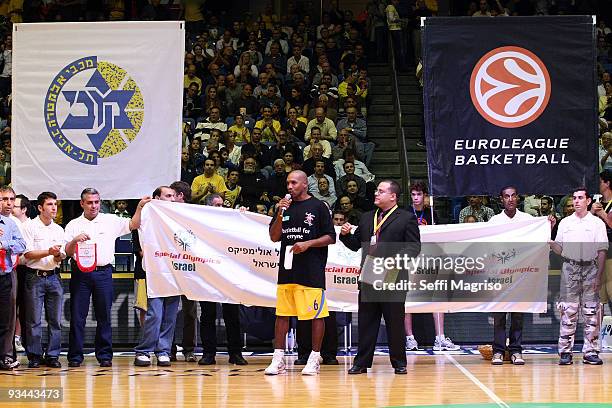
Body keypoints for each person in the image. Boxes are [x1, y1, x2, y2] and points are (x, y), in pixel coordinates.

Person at [340, 180, 421, 374]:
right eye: (376, 191)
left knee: (394, 322)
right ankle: (361, 363)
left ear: (393, 196)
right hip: (369, 274)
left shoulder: (406, 218)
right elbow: (355, 244)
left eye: (381, 191)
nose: (376, 194)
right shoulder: (368, 217)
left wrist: (393, 260)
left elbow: (414, 248)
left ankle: (399, 362)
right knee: (367, 322)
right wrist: (344, 235)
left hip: (394, 275)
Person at [65, 188, 151, 367]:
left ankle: (104, 356)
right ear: (82, 203)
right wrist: (74, 241)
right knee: (77, 316)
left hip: (103, 272)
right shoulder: (73, 224)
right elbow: (66, 252)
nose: (94, 206)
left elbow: (133, 225)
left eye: (96, 202)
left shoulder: (110, 220)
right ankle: (75, 357)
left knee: (104, 316)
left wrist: (140, 207)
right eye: (89, 202)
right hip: (80, 272)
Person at [265, 170, 336, 375]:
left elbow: (331, 237)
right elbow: (274, 236)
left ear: (305, 184)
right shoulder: (283, 207)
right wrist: (280, 212)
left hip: (311, 269)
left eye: (294, 183)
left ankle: (315, 357)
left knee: (315, 315)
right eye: (287, 183)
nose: (289, 187)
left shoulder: (318, 206)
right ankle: (278, 358)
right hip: (287, 269)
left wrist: (308, 244)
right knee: (282, 315)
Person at [551, 187, 607, 366]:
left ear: (588, 201)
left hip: (591, 268)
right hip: (570, 267)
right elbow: (559, 250)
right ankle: (565, 352)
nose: (576, 201)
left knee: (591, 312)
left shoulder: (597, 223)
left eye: (580, 198)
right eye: (574, 198)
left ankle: (590, 351)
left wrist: (599, 276)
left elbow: (602, 251)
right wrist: (549, 237)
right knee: (568, 310)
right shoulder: (565, 223)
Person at [404, 181, 460, 351]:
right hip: (411, 260)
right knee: (407, 299)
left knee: (438, 296)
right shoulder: (406, 213)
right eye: (413, 194)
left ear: (425, 196)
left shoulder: (432, 213)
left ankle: (440, 337)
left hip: (430, 259)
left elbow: (440, 235)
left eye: (419, 194)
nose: (415, 198)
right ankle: (409, 338)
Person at [198, 194, 247, 366]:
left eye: (222, 205)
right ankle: (208, 353)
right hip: (207, 274)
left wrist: (242, 216)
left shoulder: (230, 221)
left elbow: (244, 232)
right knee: (207, 315)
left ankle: (236, 353)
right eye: (217, 205)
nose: (221, 208)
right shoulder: (198, 222)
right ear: (208, 206)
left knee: (232, 315)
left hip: (228, 275)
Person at [134, 186, 181, 367]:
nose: (172, 199)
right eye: (167, 196)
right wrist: (140, 207)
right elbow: (135, 225)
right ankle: (144, 351)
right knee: (154, 314)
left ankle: (163, 351)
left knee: (170, 316)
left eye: (173, 196)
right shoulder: (147, 214)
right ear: (156, 198)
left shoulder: (180, 215)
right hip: (155, 271)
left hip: (175, 271)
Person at [488, 186, 534, 365]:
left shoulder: (528, 220)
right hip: (500, 275)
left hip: (521, 275)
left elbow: (539, 242)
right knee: (499, 316)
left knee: (517, 316)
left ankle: (516, 350)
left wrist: (549, 226)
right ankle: (498, 351)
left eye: (513, 196)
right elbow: (488, 249)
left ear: (518, 198)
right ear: (501, 199)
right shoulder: (494, 221)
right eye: (506, 196)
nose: (510, 199)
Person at [21, 192, 65, 368]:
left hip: (54, 275)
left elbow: (59, 256)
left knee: (55, 320)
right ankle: (34, 355)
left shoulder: (59, 229)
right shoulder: (30, 227)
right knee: (33, 320)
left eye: (55, 204)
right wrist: (49, 251)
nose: (54, 208)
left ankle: (53, 355)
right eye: (49, 204)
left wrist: (58, 256)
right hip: (34, 276)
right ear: (40, 208)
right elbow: (28, 254)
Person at [0, 186, 26, 370]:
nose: (9, 203)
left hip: (5, 275)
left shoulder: (11, 224)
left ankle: (6, 357)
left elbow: (22, 245)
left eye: (11, 199)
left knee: (7, 319)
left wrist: (5, 243)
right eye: (4, 199)